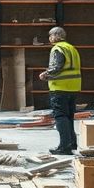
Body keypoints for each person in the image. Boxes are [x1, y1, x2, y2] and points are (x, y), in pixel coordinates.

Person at [38, 26, 82, 155]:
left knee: (60, 116)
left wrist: (45, 74)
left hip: (60, 87)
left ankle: (64, 147)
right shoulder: (71, 48)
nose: (50, 38)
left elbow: (56, 67)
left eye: (50, 35)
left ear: (55, 36)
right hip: (73, 87)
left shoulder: (57, 49)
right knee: (69, 116)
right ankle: (72, 143)